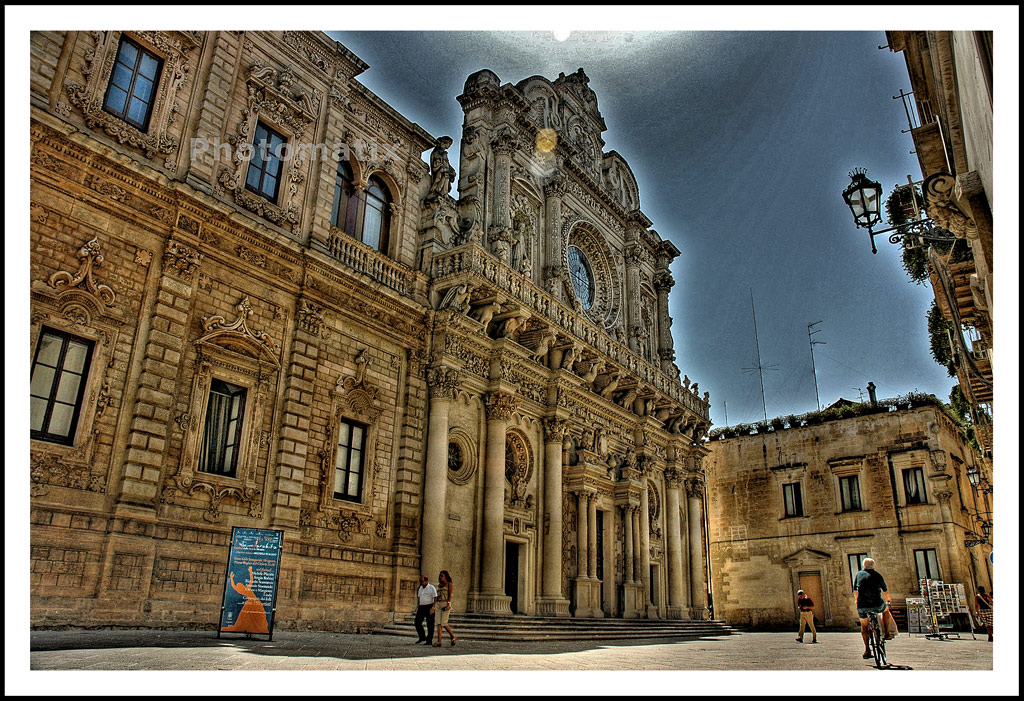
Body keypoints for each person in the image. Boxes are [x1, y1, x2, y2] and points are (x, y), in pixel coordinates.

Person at [853, 558, 898, 659]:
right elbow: (885, 590)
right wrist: (888, 599)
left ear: (864, 566)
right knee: (886, 610)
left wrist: (856, 600)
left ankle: (867, 650)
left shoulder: (859, 575)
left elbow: (855, 590)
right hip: (877, 604)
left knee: (864, 626)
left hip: (862, 605)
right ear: (873, 566)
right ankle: (887, 633)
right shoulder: (877, 575)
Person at [433, 570, 457, 647]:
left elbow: (450, 595)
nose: (440, 577)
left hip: (445, 603)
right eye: (440, 576)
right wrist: (434, 605)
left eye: (442, 576)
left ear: (446, 576)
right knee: (438, 623)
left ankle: (452, 636)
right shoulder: (439, 585)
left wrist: (448, 604)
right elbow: (437, 596)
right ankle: (439, 641)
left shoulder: (449, 584)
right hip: (438, 604)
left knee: (444, 622)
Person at [414, 574, 437, 644]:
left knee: (430, 624)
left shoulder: (431, 587)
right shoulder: (420, 588)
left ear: (426, 581)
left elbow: (435, 597)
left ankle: (429, 640)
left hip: (429, 606)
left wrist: (433, 607)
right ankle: (422, 637)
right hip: (422, 606)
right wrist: (418, 606)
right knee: (417, 622)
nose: (421, 583)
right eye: (420, 581)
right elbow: (419, 597)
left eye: (422, 581)